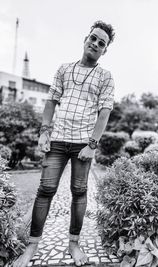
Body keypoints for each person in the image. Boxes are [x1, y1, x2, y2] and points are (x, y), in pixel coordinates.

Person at [13, 20, 115, 267]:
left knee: (79, 193)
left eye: (102, 43)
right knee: (45, 191)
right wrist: (44, 132)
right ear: (86, 38)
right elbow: (51, 101)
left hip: (82, 145)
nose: (96, 43)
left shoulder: (105, 76)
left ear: (105, 50)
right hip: (57, 141)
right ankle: (32, 246)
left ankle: (74, 244)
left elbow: (104, 112)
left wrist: (92, 145)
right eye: (93, 38)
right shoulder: (63, 69)